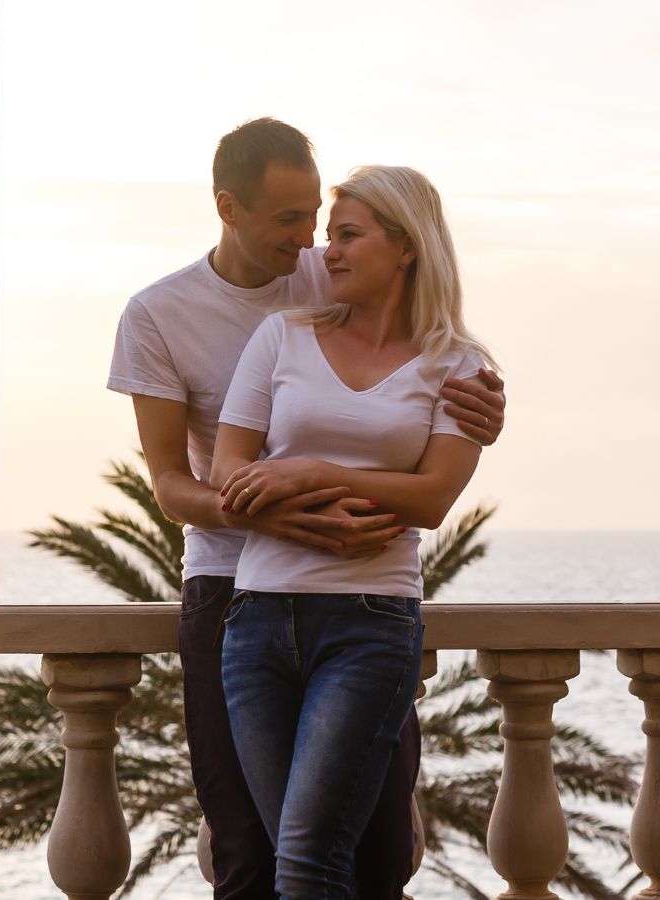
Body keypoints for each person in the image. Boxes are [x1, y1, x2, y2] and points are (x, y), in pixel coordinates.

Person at [108, 118, 505, 900]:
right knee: (252, 852)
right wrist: (267, 513)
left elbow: (428, 346)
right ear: (229, 208)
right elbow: (170, 484)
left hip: (362, 600)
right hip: (232, 589)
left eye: (319, 218)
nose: (311, 242)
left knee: (382, 843)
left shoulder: (335, 273)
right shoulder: (160, 315)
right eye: (289, 221)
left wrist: (483, 412)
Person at [209, 164, 497, 898]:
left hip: (370, 625)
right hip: (256, 621)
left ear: (406, 246)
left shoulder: (457, 365)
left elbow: (432, 498)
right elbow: (228, 471)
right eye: (329, 236)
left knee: (307, 863)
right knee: (296, 865)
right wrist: (293, 502)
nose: (325, 252)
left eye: (346, 235)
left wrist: (304, 471)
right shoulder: (281, 337)